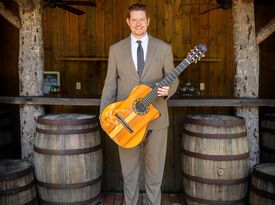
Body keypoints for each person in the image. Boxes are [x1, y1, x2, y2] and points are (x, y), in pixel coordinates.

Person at [100, 3, 179, 205]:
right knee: (129, 174)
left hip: (156, 120)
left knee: (155, 175)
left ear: (148, 21)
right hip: (125, 121)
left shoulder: (163, 48)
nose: (138, 24)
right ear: (128, 22)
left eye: (141, 20)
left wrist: (168, 90)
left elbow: (173, 78)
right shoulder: (116, 50)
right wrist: (105, 117)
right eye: (133, 20)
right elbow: (109, 86)